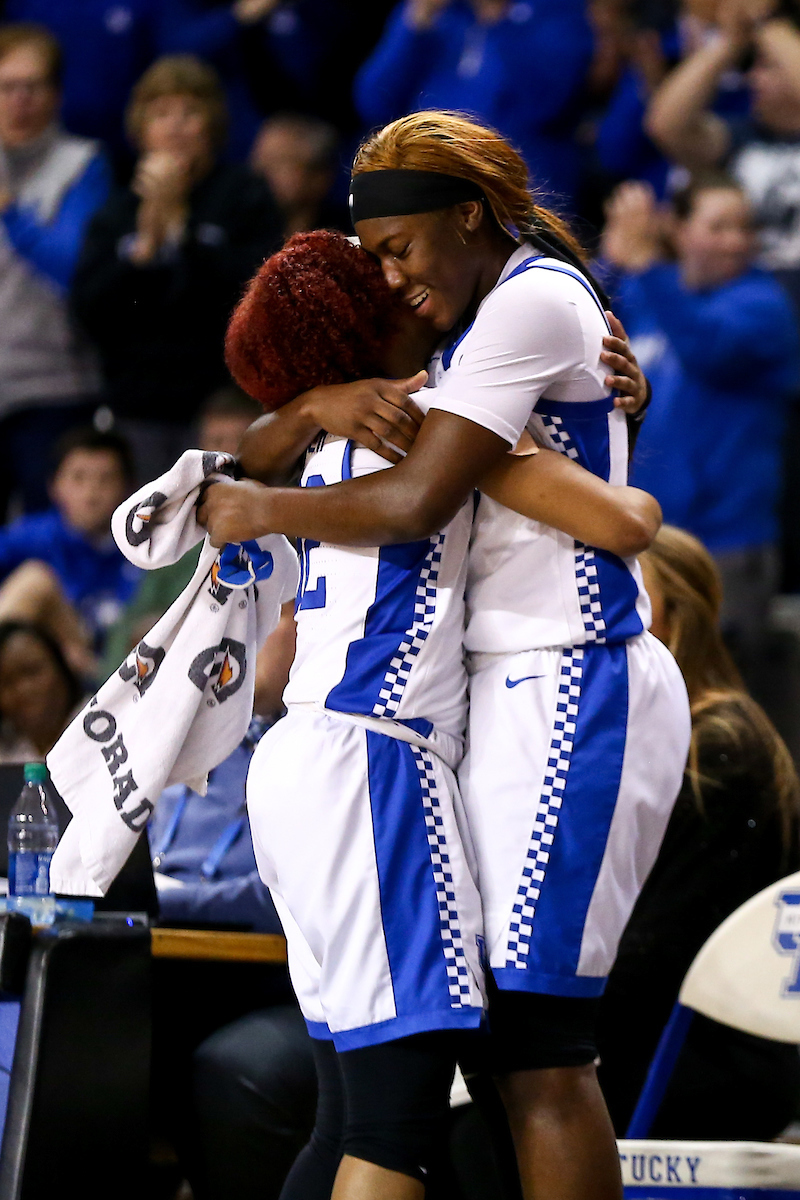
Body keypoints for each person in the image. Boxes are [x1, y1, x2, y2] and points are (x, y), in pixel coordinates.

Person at [199, 111, 690, 1200]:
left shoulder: (517, 305)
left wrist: (258, 495)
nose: (392, 280)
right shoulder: (454, 349)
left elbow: (443, 498)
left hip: (568, 673)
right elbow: (583, 494)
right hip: (451, 711)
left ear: (469, 216)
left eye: (400, 250)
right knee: (442, 1079)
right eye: (373, 265)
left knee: (526, 1050)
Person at [597, 524, 800, 1140]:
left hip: (713, 1049)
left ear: (673, 616)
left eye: (624, 593)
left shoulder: (720, 747)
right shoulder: (639, 733)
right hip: (648, 1028)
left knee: (495, 1088)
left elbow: (657, 951)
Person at [601, 173, 799, 671]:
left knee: (716, 704)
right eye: (718, 227)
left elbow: (706, 345)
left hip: (726, 544)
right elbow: (579, 322)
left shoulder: (765, 305)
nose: (736, 241)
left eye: (745, 227)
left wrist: (645, 265)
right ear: (678, 230)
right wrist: (612, 260)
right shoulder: (648, 298)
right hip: (648, 540)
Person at [71, 54, 282, 483]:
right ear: (140, 126)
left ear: (213, 124)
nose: (175, 126)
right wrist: (145, 246)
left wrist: (182, 229)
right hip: (138, 407)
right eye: (161, 112)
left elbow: (252, 293)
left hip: (224, 404)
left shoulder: (245, 196)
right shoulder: (116, 211)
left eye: (190, 112)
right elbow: (90, 309)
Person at [0, 22, 111, 521]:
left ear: (56, 93)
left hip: (54, 384)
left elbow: (73, 266)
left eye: (33, 85)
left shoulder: (82, 164)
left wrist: (11, 212)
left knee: (50, 546)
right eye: (6, 86)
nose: (20, 99)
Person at [354, 0, 594, 208]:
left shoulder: (560, 11)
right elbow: (375, 102)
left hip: (519, 200)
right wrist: (417, 23)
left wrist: (498, 17)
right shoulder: (438, 13)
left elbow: (550, 102)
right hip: (428, 191)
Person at [645, 0, 800, 314]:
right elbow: (666, 124)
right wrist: (731, 42)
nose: (753, 78)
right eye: (751, 65)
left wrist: (767, 22)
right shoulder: (741, 137)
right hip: (742, 314)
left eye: (768, 65)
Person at [0, 427, 138, 678]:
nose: (91, 494)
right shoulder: (31, 536)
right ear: (54, 486)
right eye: (78, 478)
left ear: (129, 488)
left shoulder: (152, 546)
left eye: (105, 479)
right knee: (35, 580)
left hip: (121, 676)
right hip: (47, 673)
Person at [249, 113, 348, 237]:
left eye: (278, 162)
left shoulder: (348, 241)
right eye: (260, 161)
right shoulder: (237, 236)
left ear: (319, 178)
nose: (261, 172)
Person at [0, 619, 84, 763]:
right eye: (8, 682)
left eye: (32, 671)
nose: (23, 689)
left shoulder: (103, 719)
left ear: (61, 668)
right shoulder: (4, 753)